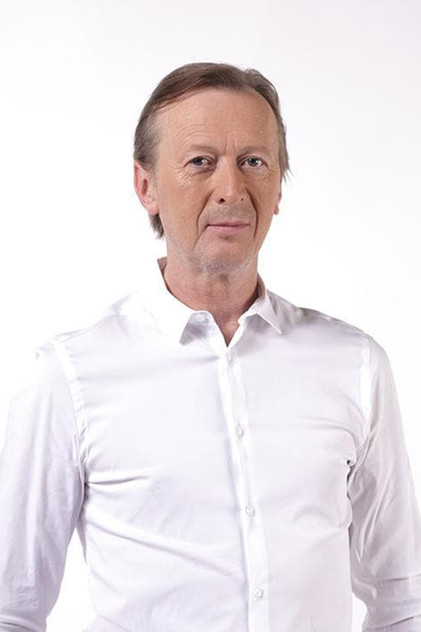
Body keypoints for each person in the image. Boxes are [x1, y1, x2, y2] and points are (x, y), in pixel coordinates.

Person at [0, 62, 420, 632]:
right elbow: (12, 609)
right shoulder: (68, 377)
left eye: (254, 162)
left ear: (278, 187)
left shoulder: (356, 366)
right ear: (146, 186)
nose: (231, 189)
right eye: (201, 162)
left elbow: (402, 600)